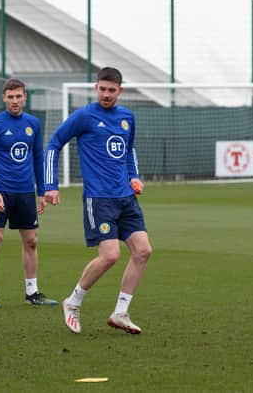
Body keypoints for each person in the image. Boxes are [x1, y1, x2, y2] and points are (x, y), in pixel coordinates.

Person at [44, 67, 152, 334]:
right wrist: (50, 185)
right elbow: (54, 144)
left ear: (120, 91)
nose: (106, 94)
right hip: (99, 198)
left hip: (126, 198)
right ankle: (73, 301)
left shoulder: (127, 117)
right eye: (102, 89)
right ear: (96, 88)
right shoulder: (84, 116)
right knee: (111, 255)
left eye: (111, 90)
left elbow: (128, 151)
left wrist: (134, 176)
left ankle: (121, 312)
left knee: (143, 251)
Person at [0, 78, 56, 308]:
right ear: (4, 98)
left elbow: (38, 159)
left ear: (25, 97)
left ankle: (32, 292)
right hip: (1, 193)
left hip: (25, 193)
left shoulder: (33, 123)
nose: (14, 100)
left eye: (18, 96)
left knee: (31, 241)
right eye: (10, 97)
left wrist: (41, 192)